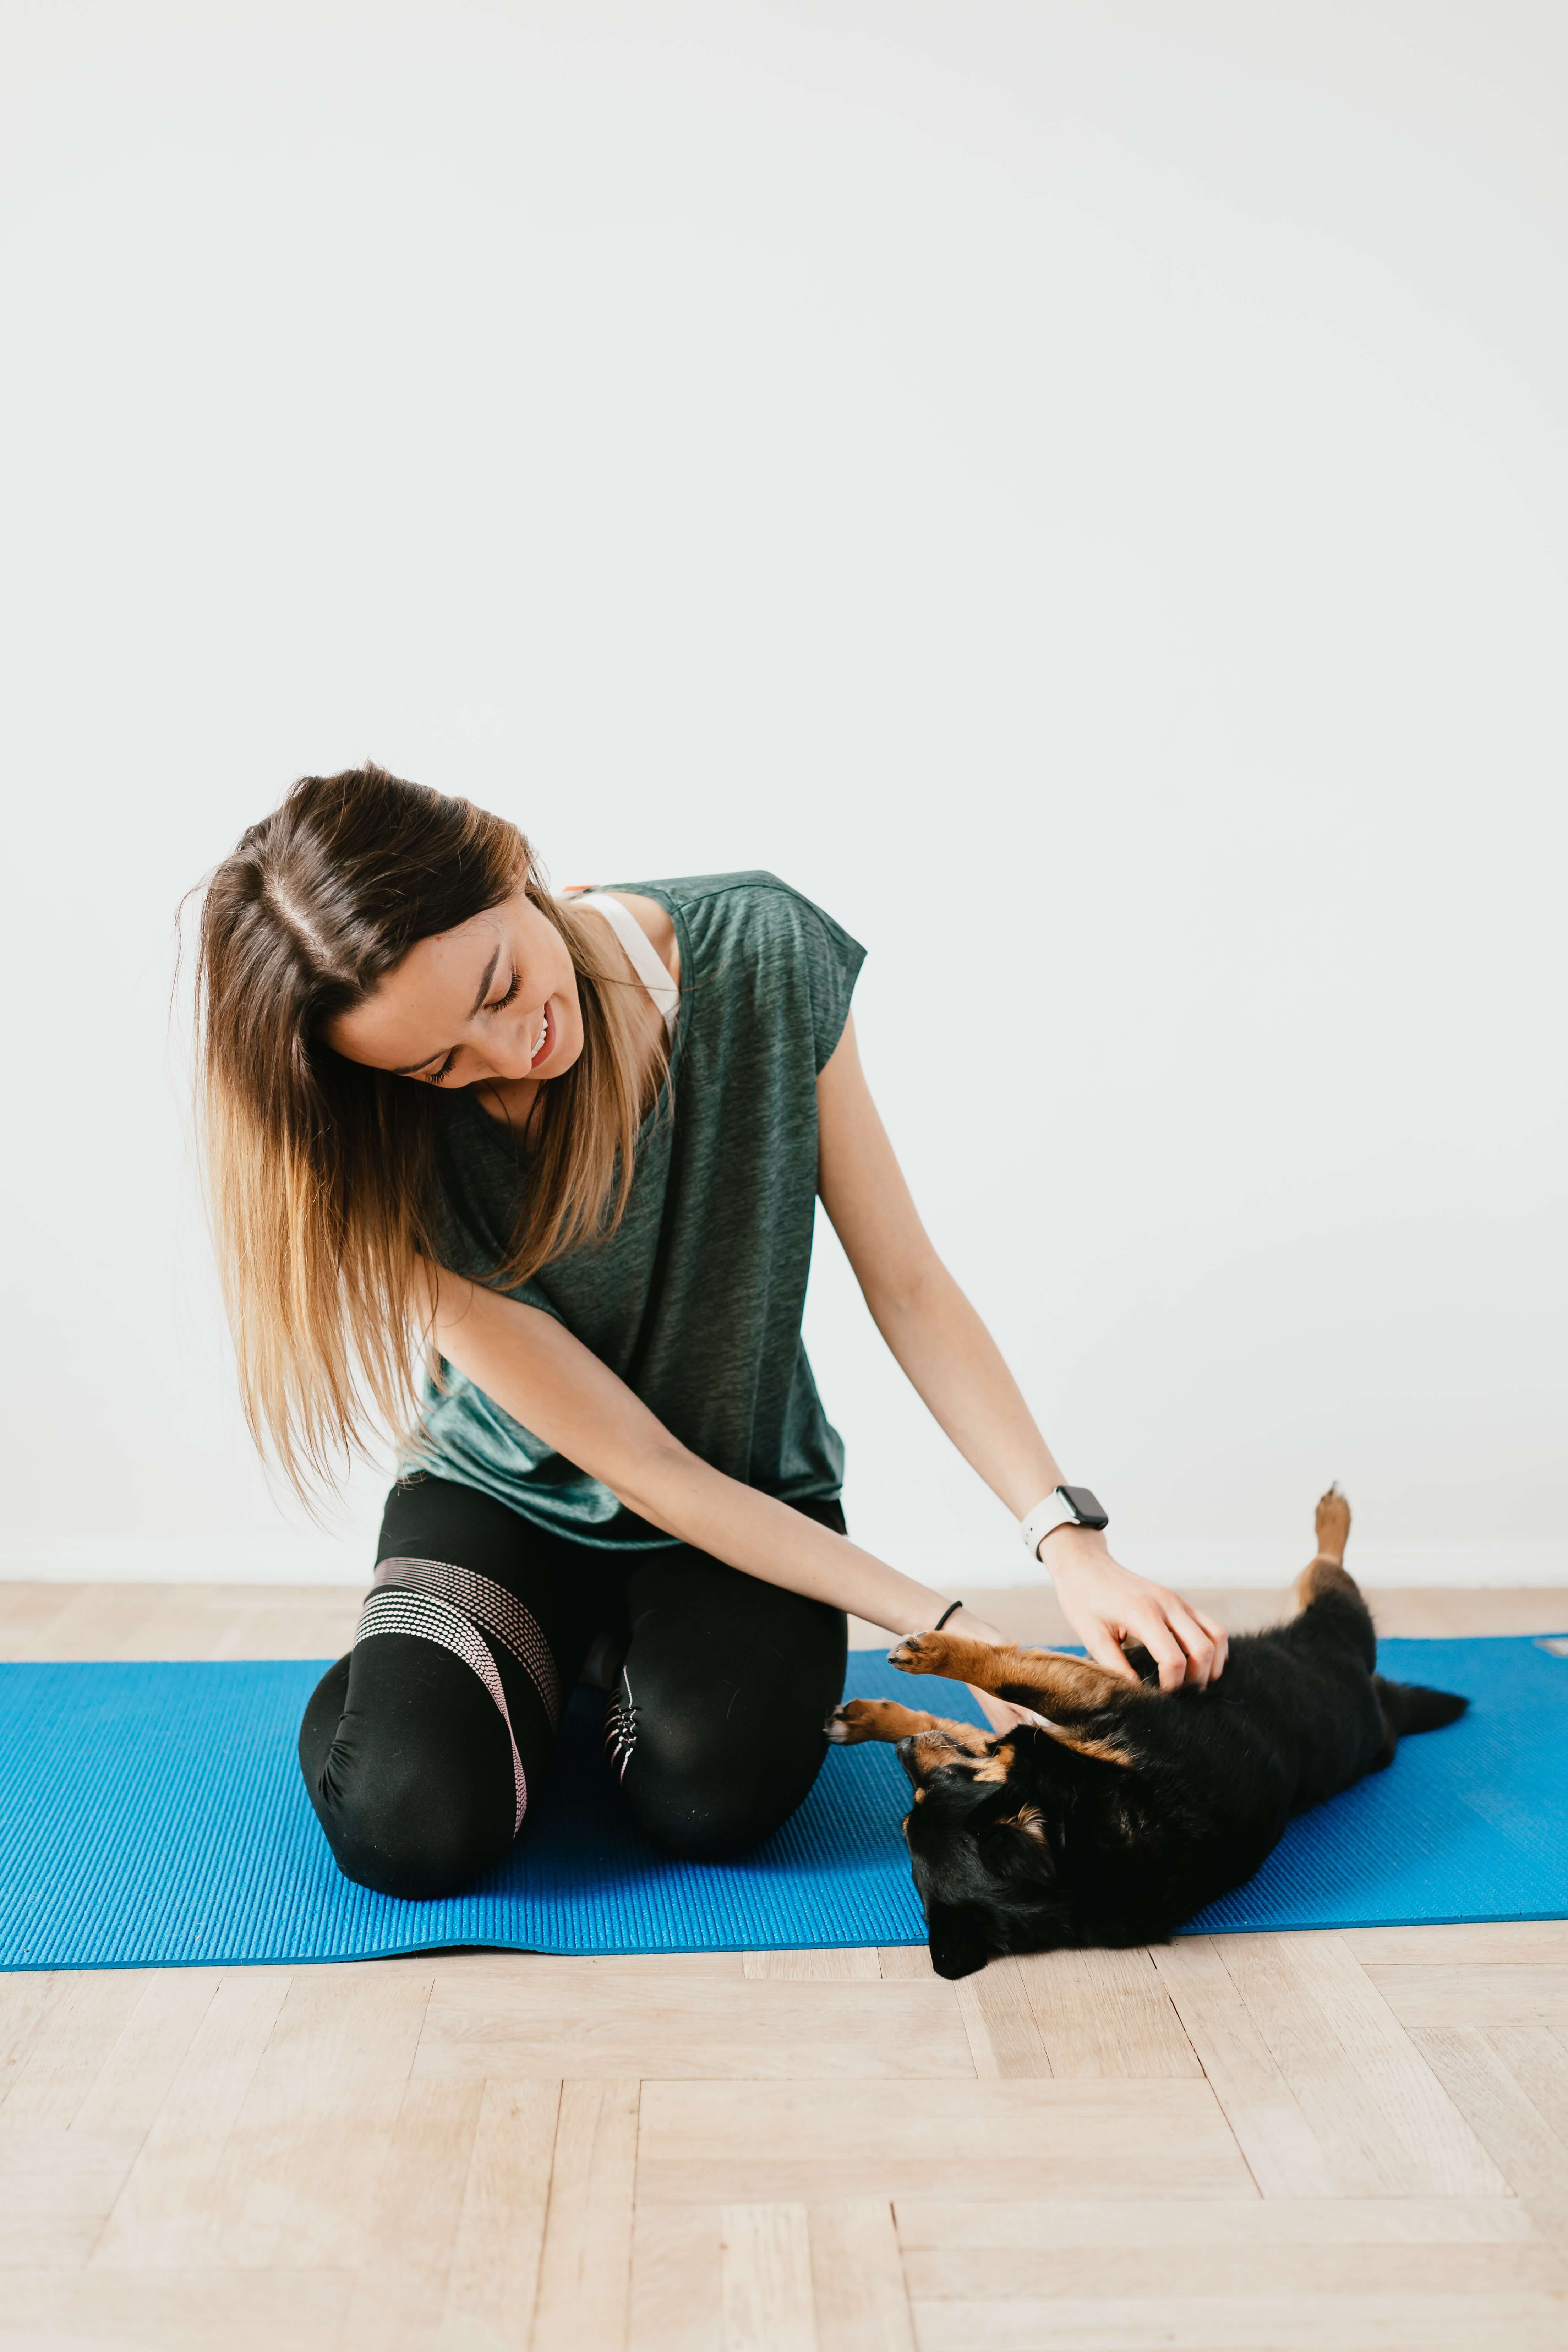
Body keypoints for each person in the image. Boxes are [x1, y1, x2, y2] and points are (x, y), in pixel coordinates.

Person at [192, 763, 1227, 1899]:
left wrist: (1065, 1544)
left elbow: (912, 1285)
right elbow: (642, 1464)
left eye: (497, 985)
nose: (507, 1051)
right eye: (437, 1063)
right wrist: (967, 1636)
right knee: (409, 1823)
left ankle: (544, 1671)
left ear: (507, 859)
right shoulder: (371, 1146)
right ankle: (451, 1662)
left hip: (743, 1497)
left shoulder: (763, 955)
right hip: (508, 1501)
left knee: (712, 1798)